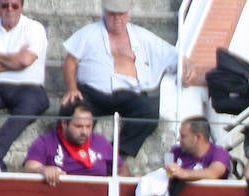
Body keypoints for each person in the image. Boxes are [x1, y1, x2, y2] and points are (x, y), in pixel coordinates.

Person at [62, 0, 179, 161]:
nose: (117, 19)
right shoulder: (88, 33)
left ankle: (115, 154)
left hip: (128, 93)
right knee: (69, 109)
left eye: (121, 14)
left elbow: (174, 57)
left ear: (128, 15)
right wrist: (72, 88)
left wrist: (189, 67)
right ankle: (70, 155)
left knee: (148, 114)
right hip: (92, 94)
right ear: (105, 13)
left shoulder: (142, 36)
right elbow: (70, 61)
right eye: (112, 14)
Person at [0, 0, 49, 166]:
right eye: (4, 5)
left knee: (27, 108)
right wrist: (14, 62)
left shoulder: (34, 28)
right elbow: (20, 62)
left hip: (28, 87)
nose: (10, 9)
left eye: (15, 5)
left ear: (22, 7)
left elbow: (25, 61)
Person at [22, 101, 120, 185]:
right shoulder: (45, 142)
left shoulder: (100, 141)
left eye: (88, 126)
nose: (84, 132)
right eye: (78, 126)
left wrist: (115, 183)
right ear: (64, 123)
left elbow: (122, 168)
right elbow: (29, 168)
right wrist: (43, 170)